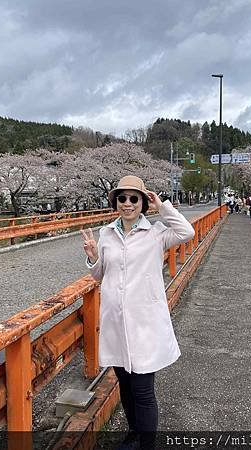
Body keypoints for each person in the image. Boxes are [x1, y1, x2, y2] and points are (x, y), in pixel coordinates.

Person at [80, 175, 195, 450]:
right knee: (125, 386)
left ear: (143, 203)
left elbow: (186, 232)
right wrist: (94, 256)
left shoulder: (156, 233)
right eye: (122, 198)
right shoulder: (107, 234)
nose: (127, 203)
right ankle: (132, 435)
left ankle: (146, 444)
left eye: (134, 198)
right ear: (115, 202)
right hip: (116, 323)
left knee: (143, 390)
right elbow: (100, 275)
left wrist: (162, 207)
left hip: (144, 323)